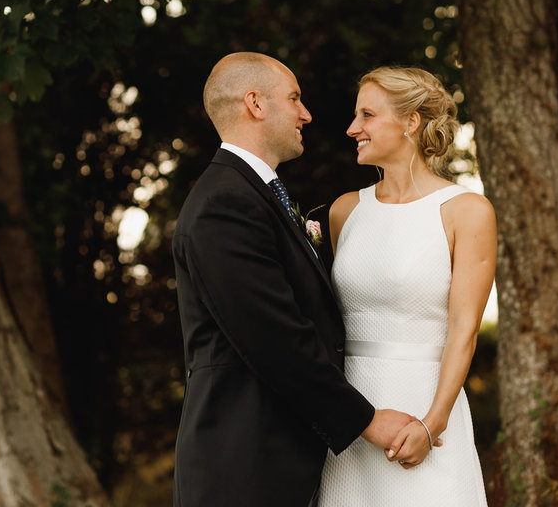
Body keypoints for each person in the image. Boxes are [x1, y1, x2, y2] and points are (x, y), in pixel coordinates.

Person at [171, 53, 424, 506]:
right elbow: (274, 335)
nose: (306, 113)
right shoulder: (224, 203)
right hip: (242, 464)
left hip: (272, 456)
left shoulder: (253, 194)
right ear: (255, 104)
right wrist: (365, 419)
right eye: (294, 98)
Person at [317, 66, 495, 506]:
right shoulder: (343, 212)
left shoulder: (466, 211)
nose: (352, 128)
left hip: (426, 408)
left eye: (367, 115)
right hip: (355, 416)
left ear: (411, 122)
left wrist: (431, 424)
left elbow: (464, 329)